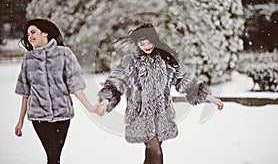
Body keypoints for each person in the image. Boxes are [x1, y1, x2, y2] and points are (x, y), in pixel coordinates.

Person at [96, 22, 224, 164]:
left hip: (162, 118)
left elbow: (189, 83)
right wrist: (105, 102)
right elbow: (115, 83)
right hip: (141, 118)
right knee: (156, 153)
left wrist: (211, 98)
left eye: (149, 42)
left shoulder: (167, 61)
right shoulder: (129, 63)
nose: (146, 46)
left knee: (151, 157)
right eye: (142, 43)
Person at [14, 18, 99, 164]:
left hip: (62, 114)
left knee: (55, 157)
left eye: (33, 32)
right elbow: (25, 92)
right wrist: (20, 120)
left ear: (45, 33)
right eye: (28, 34)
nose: (30, 37)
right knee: (52, 155)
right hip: (38, 116)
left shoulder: (64, 53)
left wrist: (90, 107)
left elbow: (75, 85)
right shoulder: (28, 58)